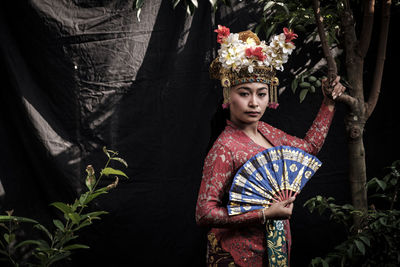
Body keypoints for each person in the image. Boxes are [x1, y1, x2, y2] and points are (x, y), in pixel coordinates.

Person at [195, 26, 346, 267]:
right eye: (244, 93)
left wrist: (328, 103)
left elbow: (309, 147)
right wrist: (265, 214)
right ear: (228, 95)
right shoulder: (225, 148)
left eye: (261, 94)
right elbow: (204, 213)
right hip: (234, 256)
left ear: (270, 96)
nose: (254, 103)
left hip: (274, 250)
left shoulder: (267, 131)